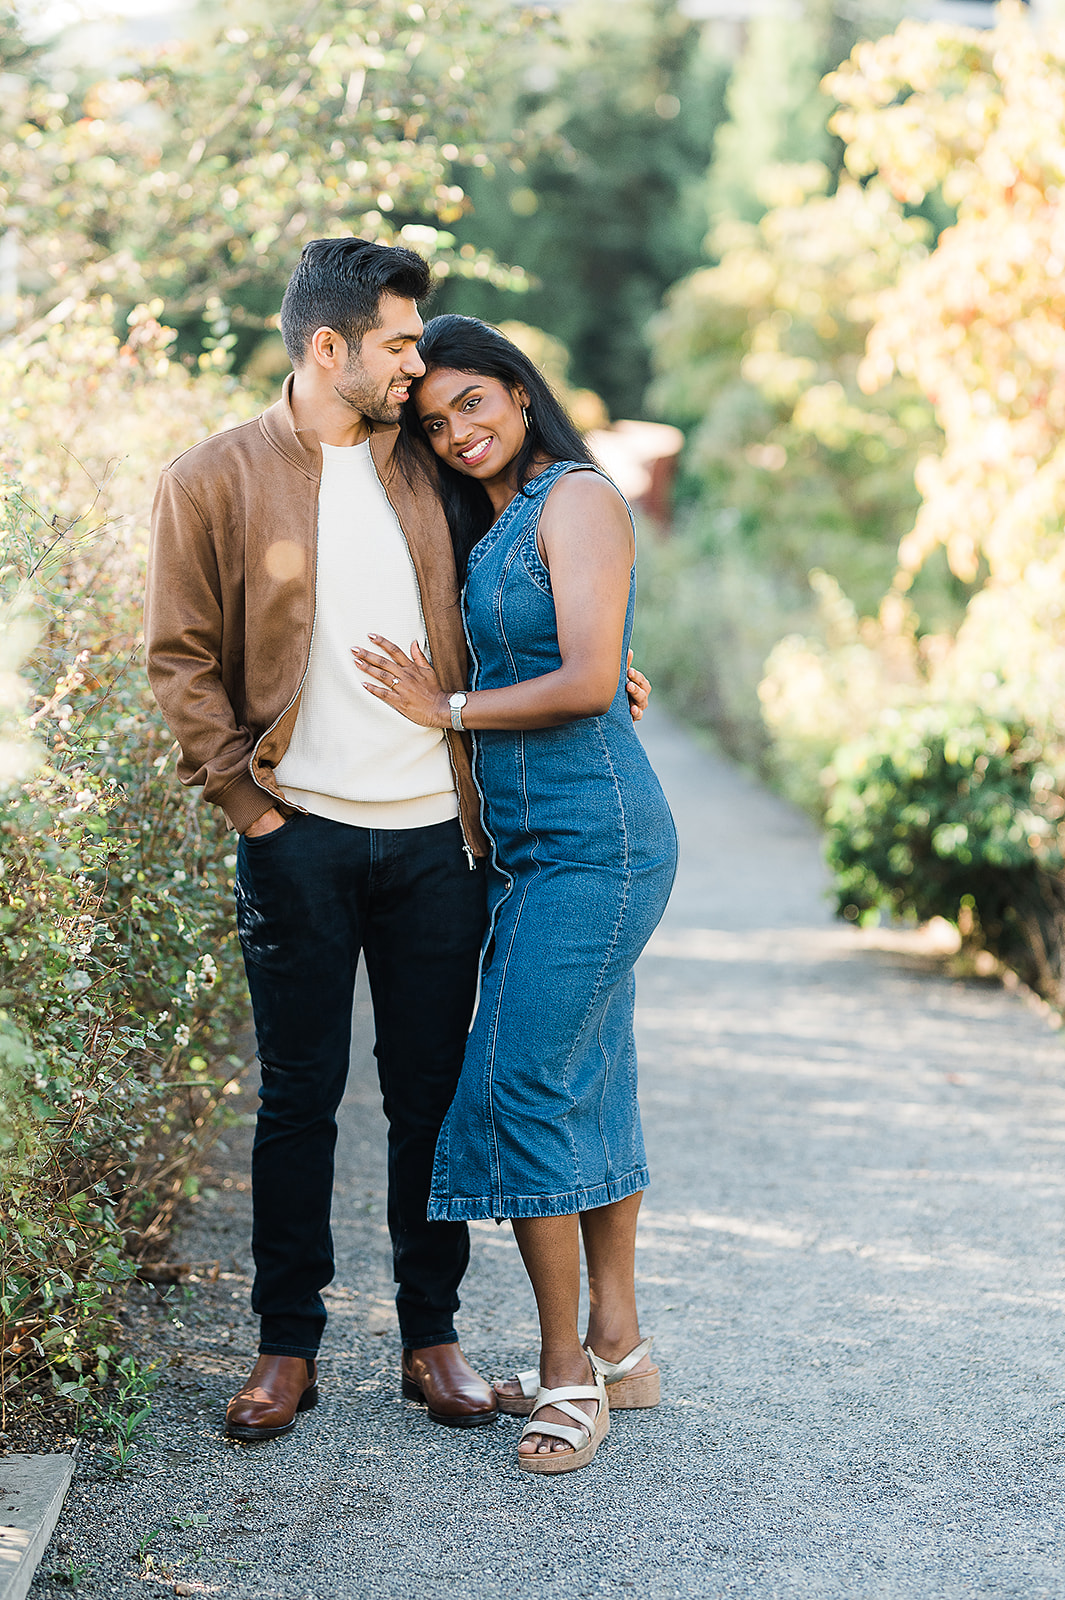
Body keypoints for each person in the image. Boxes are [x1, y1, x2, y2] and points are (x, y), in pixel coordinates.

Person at [144, 239, 649, 1443]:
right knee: (297, 1098)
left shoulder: (430, 471)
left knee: (429, 1096)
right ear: (330, 349)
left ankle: (435, 1337)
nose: (419, 368)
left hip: (437, 843)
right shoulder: (211, 479)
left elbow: (538, 581)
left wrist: (600, 668)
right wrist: (252, 811)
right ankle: (285, 1347)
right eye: (399, 345)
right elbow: (179, 660)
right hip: (298, 837)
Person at [351, 314, 678, 1474]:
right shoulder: (492, 524)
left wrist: (443, 708)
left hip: (600, 840)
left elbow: (588, 679)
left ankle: (565, 1376)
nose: (458, 434)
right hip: (537, 848)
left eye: (474, 406)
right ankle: (621, 1345)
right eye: (436, 424)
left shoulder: (576, 499)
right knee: (589, 1075)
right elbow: (580, 661)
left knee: (524, 1079)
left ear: (521, 395)